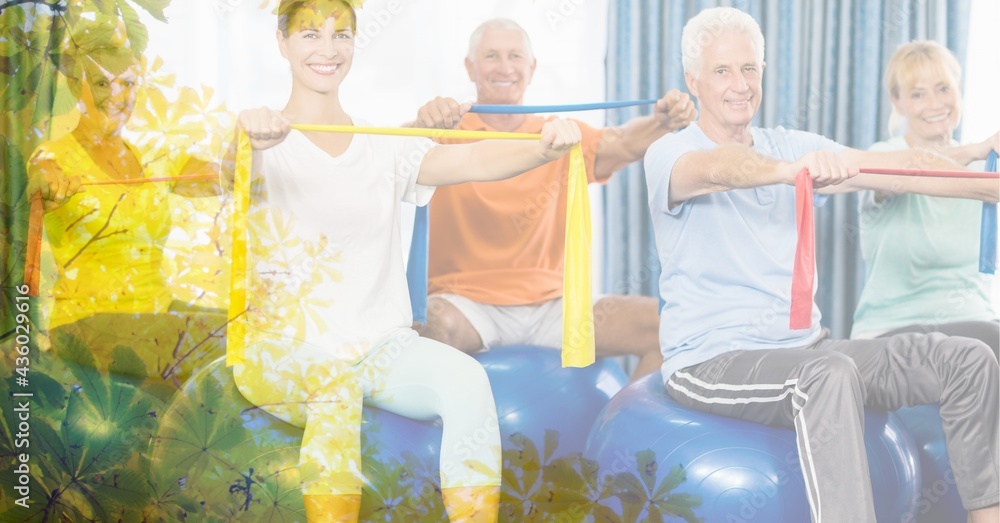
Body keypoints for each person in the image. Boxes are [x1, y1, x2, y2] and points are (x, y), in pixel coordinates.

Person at [643, 7, 998, 523]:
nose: (740, 83)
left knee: (967, 360)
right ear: (693, 80)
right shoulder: (670, 152)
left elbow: (901, 169)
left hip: (805, 349)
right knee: (826, 375)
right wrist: (790, 173)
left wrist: (980, 165)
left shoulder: (792, 144)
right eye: (723, 71)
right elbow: (722, 168)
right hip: (710, 359)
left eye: (750, 68)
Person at [232, 2, 582, 522]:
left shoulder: (382, 146)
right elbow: (213, 172)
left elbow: (474, 159)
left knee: (467, 380)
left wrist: (543, 147)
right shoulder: (257, 141)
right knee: (336, 388)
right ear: (281, 42)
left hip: (378, 349)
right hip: (280, 351)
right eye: (310, 34)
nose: (327, 49)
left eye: (341, 35)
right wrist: (246, 136)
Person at [411, 18, 697, 380]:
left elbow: (624, 141)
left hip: (556, 310)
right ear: (470, 67)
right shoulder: (443, 135)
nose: (504, 67)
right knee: (426, 330)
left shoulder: (560, 136)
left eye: (515, 56)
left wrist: (664, 122)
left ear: (531, 68)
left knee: (669, 325)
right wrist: (422, 124)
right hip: (465, 307)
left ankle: (618, 428)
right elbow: (381, 156)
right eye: (491, 56)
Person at [26, 17, 220, 383]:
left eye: (128, 83)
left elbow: (222, 176)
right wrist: (47, 186)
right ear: (74, 84)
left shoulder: (152, 156)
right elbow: (40, 179)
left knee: (243, 330)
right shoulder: (52, 156)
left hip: (156, 313)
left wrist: (254, 146)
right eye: (102, 83)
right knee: (201, 344)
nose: (117, 97)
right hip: (84, 323)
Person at [852, 40, 999, 355]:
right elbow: (913, 169)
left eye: (943, 88)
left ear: (958, 89)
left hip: (978, 324)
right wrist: (973, 151)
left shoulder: (984, 165)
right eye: (918, 94)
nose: (934, 104)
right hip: (893, 330)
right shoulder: (883, 157)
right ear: (898, 101)